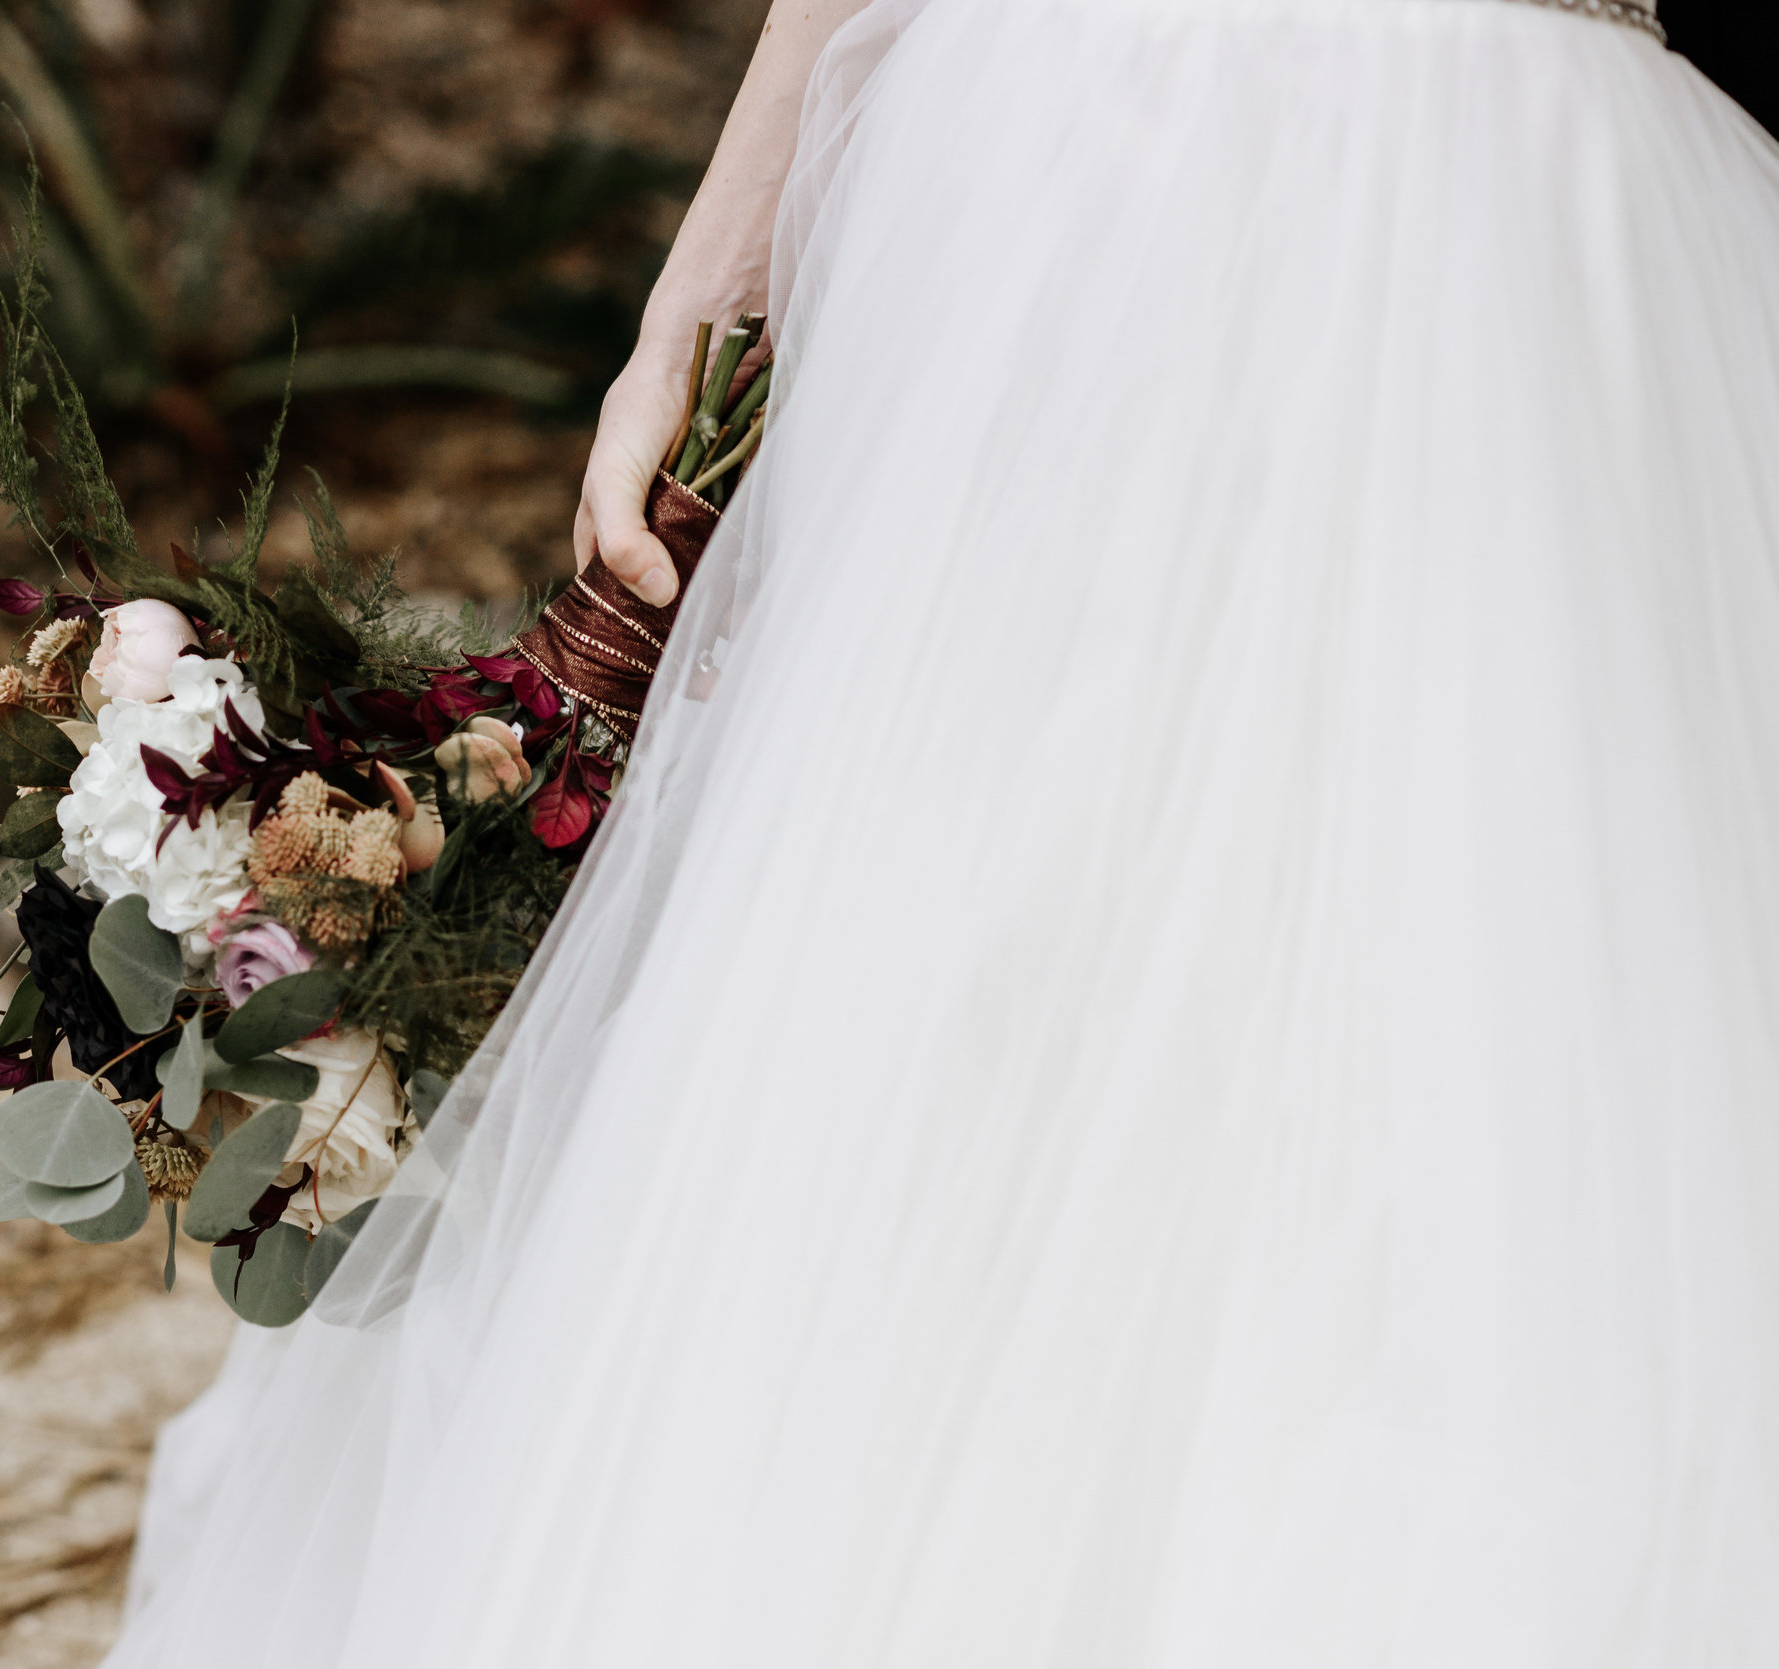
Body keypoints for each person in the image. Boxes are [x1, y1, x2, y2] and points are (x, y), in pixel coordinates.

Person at [106, 0, 1779, 1660]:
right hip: (1141, 162)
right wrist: (714, 276)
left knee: (1489, 967)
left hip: (1459, 193)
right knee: (1008, 955)